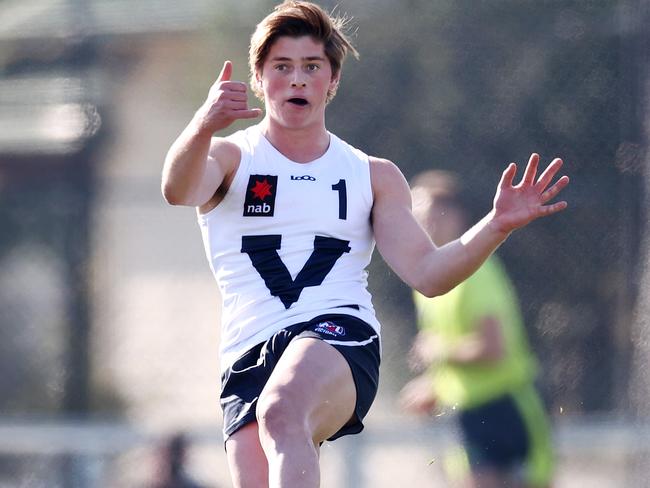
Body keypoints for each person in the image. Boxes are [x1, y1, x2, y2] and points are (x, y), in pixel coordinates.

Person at [160, 2, 569, 487]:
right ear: (258, 78)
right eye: (282, 67)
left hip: (340, 333)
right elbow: (177, 190)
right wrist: (203, 125)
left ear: (332, 80)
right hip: (245, 355)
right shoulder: (229, 158)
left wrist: (496, 224)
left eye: (312, 67)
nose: (297, 80)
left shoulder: (371, 175)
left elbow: (430, 273)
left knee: (281, 409)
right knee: (264, 454)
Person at [399, 170, 554, 488]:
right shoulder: (425, 280)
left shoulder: (476, 271)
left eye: (432, 216)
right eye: (417, 217)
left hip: (505, 408)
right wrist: (433, 385)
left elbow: (493, 349)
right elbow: (453, 349)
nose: (424, 224)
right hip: (465, 413)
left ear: (456, 217)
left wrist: (438, 351)